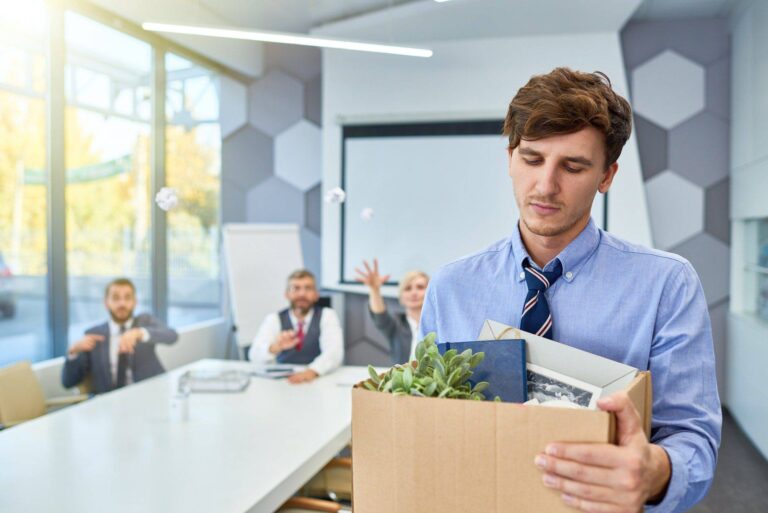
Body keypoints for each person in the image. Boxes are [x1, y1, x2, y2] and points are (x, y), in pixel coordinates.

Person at [419, 68, 721, 513]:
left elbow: (692, 436)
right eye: (532, 159)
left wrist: (654, 472)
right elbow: (426, 413)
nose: (545, 186)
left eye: (573, 166)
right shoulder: (451, 286)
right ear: (509, 158)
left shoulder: (666, 284)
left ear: (607, 175)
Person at [62, 278, 178, 394]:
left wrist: (140, 333)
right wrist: (73, 353)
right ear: (106, 303)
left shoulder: (144, 321)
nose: (122, 303)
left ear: (135, 302)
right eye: (116, 298)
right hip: (109, 403)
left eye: (127, 298)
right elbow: (68, 382)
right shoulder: (94, 335)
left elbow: (172, 336)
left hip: (149, 395)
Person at [249, 269, 343, 384]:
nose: (302, 294)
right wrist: (276, 347)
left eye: (308, 288)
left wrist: (311, 372)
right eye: (296, 288)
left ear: (316, 295)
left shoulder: (327, 315)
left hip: (317, 378)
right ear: (286, 294)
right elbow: (254, 355)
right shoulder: (274, 319)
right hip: (283, 382)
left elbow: (334, 353)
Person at [355, 258, 428, 363]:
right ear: (401, 296)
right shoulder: (397, 324)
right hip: (402, 379)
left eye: (420, 287)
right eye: (407, 288)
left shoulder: (438, 324)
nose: (414, 293)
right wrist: (375, 290)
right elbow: (379, 315)